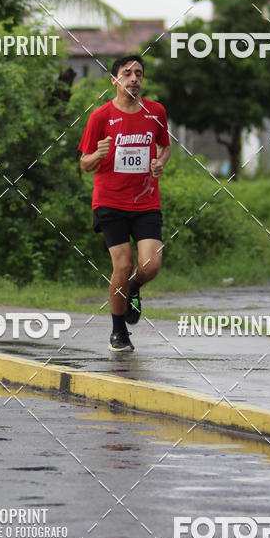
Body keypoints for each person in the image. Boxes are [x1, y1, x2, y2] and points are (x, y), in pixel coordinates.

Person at [78, 54, 171, 351]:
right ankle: (119, 332)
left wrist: (160, 163)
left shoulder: (156, 111)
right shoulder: (100, 117)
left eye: (139, 74)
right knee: (122, 263)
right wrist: (98, 154)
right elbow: (84, 163)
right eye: (127, 73)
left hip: (145, 201)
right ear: (114, 80)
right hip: (110, 201)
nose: (134, 79)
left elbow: (164, 147)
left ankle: (131, 288)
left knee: (151, 264)